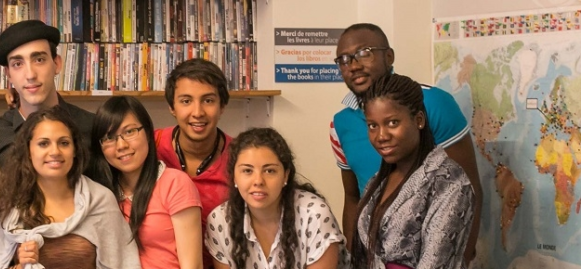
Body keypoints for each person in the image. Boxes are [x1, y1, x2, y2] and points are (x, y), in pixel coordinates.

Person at [328, 23, 480, 260]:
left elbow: (468, 187)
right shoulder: (339, 124)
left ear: (389, 56)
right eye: (344, 60)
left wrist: (463, 257)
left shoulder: (434, 104)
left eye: (363, 53)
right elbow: (352, 197)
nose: (354, 65)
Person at [0, 107, 140, 269]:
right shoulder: (6, 204)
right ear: (28, 151)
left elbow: (124, 264)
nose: (55, 151)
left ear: (74, 150)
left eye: (64, 143)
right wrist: (20, 265)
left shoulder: (100, 200)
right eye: (43, 144)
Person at [352, 74, 474, 269]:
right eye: (373, 126)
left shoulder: (450, 183)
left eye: (392, 123)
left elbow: (436, 263)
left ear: (418, 120)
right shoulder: (376, 183)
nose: (381, 136)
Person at [0, 20, 108, 185]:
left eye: (39, 60)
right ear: (9, 74)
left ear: (57, 64)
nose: (30, 74)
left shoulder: (92, 127)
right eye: (18, 64)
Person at [205, 128, 347, 269]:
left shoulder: (314, 214)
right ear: (234, 176)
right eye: (247, 171)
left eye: (269, 171)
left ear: (285, 175)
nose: (258, 181)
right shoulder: (220, 220)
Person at [92, 96, 203, 269]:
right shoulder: (102, 193)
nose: (121, 145)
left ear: (148, 133)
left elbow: (193, 266)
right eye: (109, 137)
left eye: (129, 132)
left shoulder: (175, 183)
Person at [153, 58, 233, 268]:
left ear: (222, 106)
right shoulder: (151, 148)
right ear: (172, 107)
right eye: (186, 101)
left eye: (208, 100)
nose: (197, 112)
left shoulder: (242, 158)